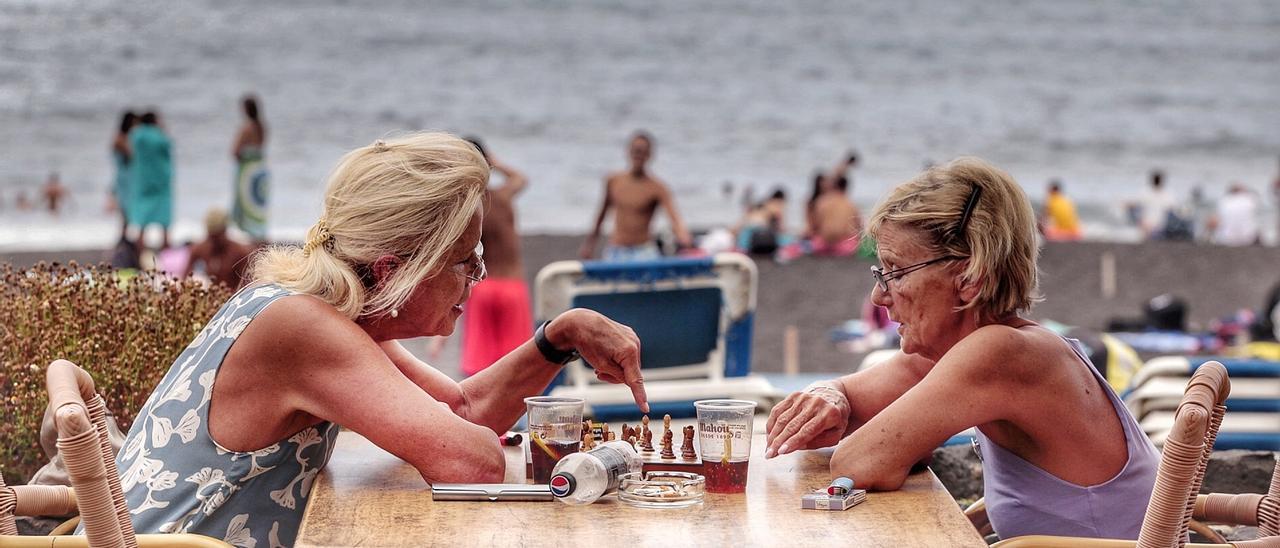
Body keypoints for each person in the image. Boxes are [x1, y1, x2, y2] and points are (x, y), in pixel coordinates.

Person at [113, 133, 648, 547]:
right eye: (466, 261)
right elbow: (473, 463)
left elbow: (460, 410)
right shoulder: (302, 327)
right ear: (395, 270)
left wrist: (559, 337)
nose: (478, 278)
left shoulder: (324, 313)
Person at [764, 157, 1158, 540]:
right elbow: (848, 401)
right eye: (879, 272)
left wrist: (901, 445)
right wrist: (828, 395)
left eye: (895, 273)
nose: (879, 296)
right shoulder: (988, 350)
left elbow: (857, 463)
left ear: (969, 277)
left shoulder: (1001, 354)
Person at [458, 137, 532, 376]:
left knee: (479, 369)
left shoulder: (468, 207)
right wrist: (493, 161)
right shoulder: (502, 196)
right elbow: (521, 178)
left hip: (482, 287)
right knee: (516, 367)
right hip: (512, 286)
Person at [580, 131, 693, 261]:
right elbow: (601, 215)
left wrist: (685, 239)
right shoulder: (613, 181)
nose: (638, 155)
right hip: (617, 248)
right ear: (628, 151)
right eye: (636, 150)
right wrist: (590, 245)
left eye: (642, 151)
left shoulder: (657, 187)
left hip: (643, 250)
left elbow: (675, 219)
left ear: (649, 155)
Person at [127, 111, 173, 251]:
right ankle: (165, 252)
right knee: (164, 222)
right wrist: (162, 129)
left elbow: (130, 151)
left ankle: (139, 253)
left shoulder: (137, 136)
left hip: (143, 182)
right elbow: (167, 146)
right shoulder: (158, 136)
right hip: (161, 183)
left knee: (142, 221)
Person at [184, 208, 256, 289]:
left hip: (233, 298)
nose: (214, 241)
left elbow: (246, 285)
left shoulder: (240, 253)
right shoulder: (198, 250)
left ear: (224, 230)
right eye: (211, 236)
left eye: (217, 236)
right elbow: (186, 279)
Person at [231, 95, 270, 242]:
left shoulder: (246, 128)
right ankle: (260, 237)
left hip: (247, 170)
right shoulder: (262, 127)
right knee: (258, 204)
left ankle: (252, 237)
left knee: (246, 203)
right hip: (260, 169)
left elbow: (234, 151)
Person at [111, 111, 137, 239]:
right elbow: (132, 155)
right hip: (124, 179)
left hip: (128, 178)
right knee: (125, 213)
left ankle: (124, 239)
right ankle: (123, 240)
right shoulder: (120, 139)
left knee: (127, 214)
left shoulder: (124, 138)